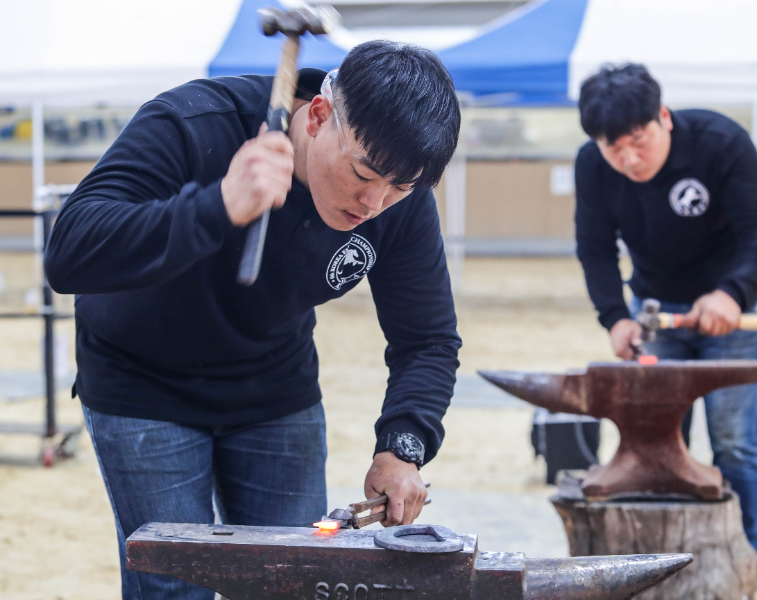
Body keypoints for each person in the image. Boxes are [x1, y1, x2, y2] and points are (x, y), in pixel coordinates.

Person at [44, 41, 461, 599]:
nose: (375, 203)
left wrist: (403, 444)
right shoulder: (195, 124)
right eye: (364, 173)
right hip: (143, 381)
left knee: (292, 578)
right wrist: (215, 205)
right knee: (174, 585)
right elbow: (69, 252)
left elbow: (427, 336)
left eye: (401, 187)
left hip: (274, 386)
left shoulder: (397, 195)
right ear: (318, 116)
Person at [574, 63, 757, 552]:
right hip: (655, 309)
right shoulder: (592, 165)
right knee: (657, 442)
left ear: (663, 117)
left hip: (736, 310)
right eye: (613, 148)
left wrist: (732, 293)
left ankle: (744, 563)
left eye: (637, 140)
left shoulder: (720, 142)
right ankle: (665, 561)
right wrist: (616, 318)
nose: (628, 158)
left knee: (734, 443)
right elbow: (596, 248)